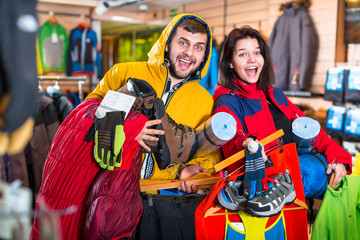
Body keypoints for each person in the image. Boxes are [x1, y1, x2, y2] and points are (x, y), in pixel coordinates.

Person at [31, 13, 220, 240]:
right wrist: (129, 128)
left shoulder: (205, 100)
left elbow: (211, 156)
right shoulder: (124, 73)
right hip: (111, 198)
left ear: (205, 54)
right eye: (183, 42)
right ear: (168, 43)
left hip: (167, 203)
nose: (190, 52)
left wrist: (193, 169)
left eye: (199, 47)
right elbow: (85, 118)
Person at [211, 25, 352, 239]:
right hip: (263, 202)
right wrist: (249, 143)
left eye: (257, 52)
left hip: (292, 201)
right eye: (243, 54)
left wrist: (338, 157)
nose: (252, 59)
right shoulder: (226, 101)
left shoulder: (274, 94)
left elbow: (309, 129)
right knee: (309, 172)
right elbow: (233, 142)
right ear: (230, 63)